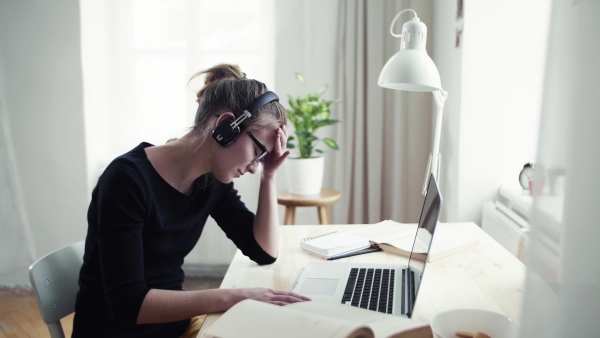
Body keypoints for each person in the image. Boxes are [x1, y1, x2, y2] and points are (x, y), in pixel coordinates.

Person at [72, 64, 310, 338]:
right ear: (225, 126)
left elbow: (263, 251)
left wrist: (269, 175)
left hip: (175, 328)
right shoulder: (127, 179)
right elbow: (128, 305)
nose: (254, 167)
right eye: (257, 152)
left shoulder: (211, 181)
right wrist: (230, 297)